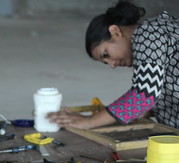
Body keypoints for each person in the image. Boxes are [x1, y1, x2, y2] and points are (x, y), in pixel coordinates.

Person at [47, 1, 179, 129]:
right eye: (106, 63)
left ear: (115, 31)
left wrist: (88, 122)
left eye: (105, 54)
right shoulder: (157, 35)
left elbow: (144, 96)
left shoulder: (147, 35)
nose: (112, 65)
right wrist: (144, 110)